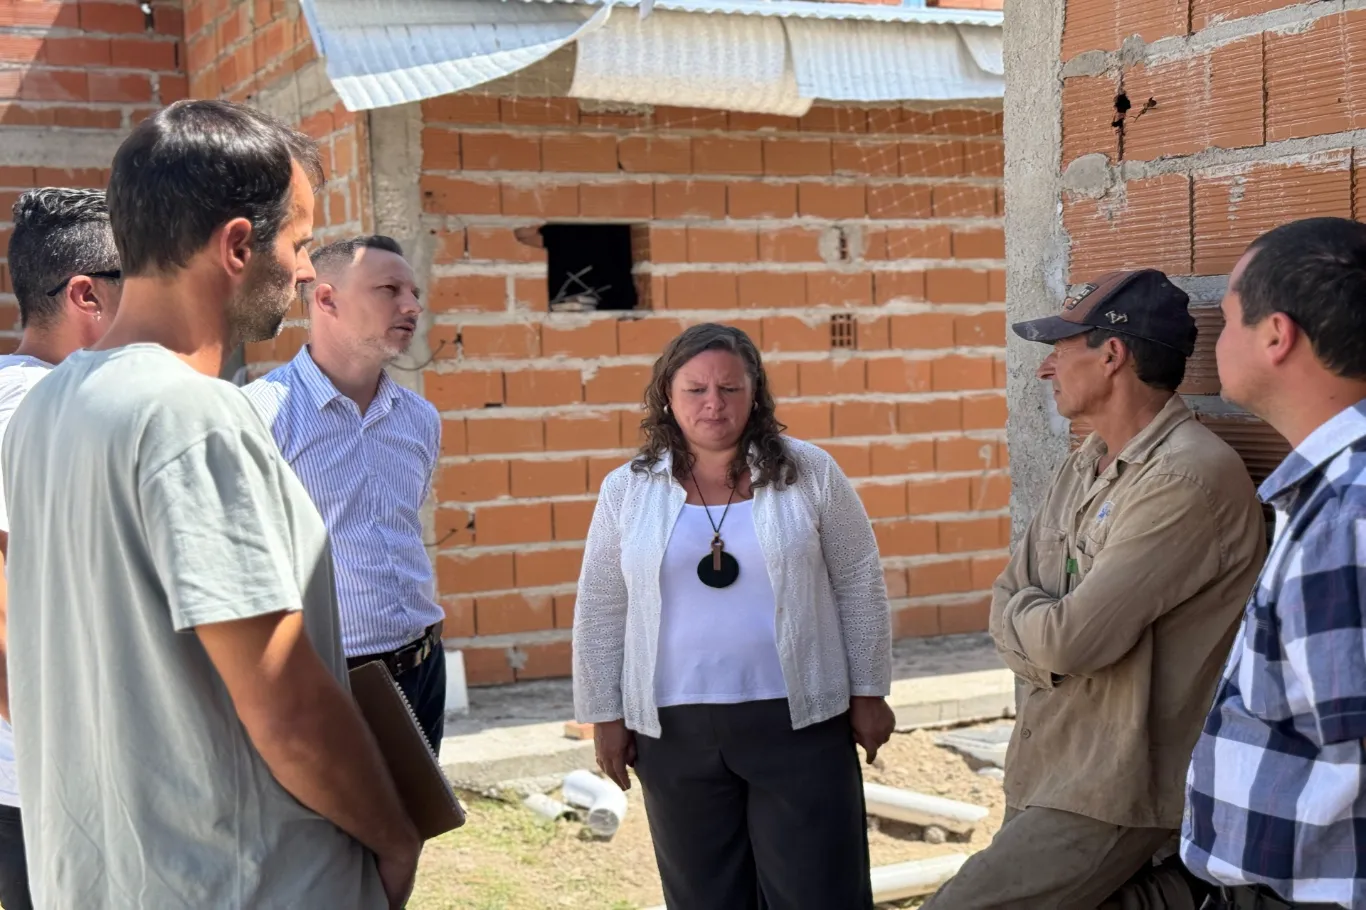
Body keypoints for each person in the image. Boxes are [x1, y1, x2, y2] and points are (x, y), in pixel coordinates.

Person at [0, 100, 419, 909]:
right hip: (241, 881)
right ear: (236, 246)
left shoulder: (49, 410)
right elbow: (286, 707)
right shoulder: (193, 417)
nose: (306, 272)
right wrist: (394, 832)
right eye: (298, 243)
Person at [924, 270, 1267, 910]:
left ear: (1112, 355)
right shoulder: (1086, 461)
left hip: (1112, 787)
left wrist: (1033, 624)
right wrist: (1037, 622)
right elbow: (1007, 596)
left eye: (1060, 348)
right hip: (1052, 763)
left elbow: (1070, 642)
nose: (1044, 369)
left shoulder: (1185, 478)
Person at [572, 322, 896, 910]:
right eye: (696, 389)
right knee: (705, 895)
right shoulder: (628, 489)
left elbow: (857, 581)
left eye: (730, 388)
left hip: (800, 720)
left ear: (755, 393)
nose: (713, 404)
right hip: (673, 729)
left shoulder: (810, 472)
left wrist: (869, 692)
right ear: (668, 396)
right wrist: (604, 715)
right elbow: (601, 605)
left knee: (819, 890)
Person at [1182, 217, 1366, 910]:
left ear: (1276, 335)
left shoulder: (1349, 507)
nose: (1217, 340)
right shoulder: (1335, 492)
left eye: (1229, 318)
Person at [244, 234, 446, 753]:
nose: (412, 305)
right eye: (389, 289)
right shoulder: (259, 416)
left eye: (414, 292)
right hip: (329, 677)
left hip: (425, 663)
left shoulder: (419, 419)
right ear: (326, 299)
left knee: (417, 810)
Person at [0, 187, 123, 910]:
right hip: (43, 784)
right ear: (87, 295)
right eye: (139, 281)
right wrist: (69, 758)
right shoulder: (33, 409)